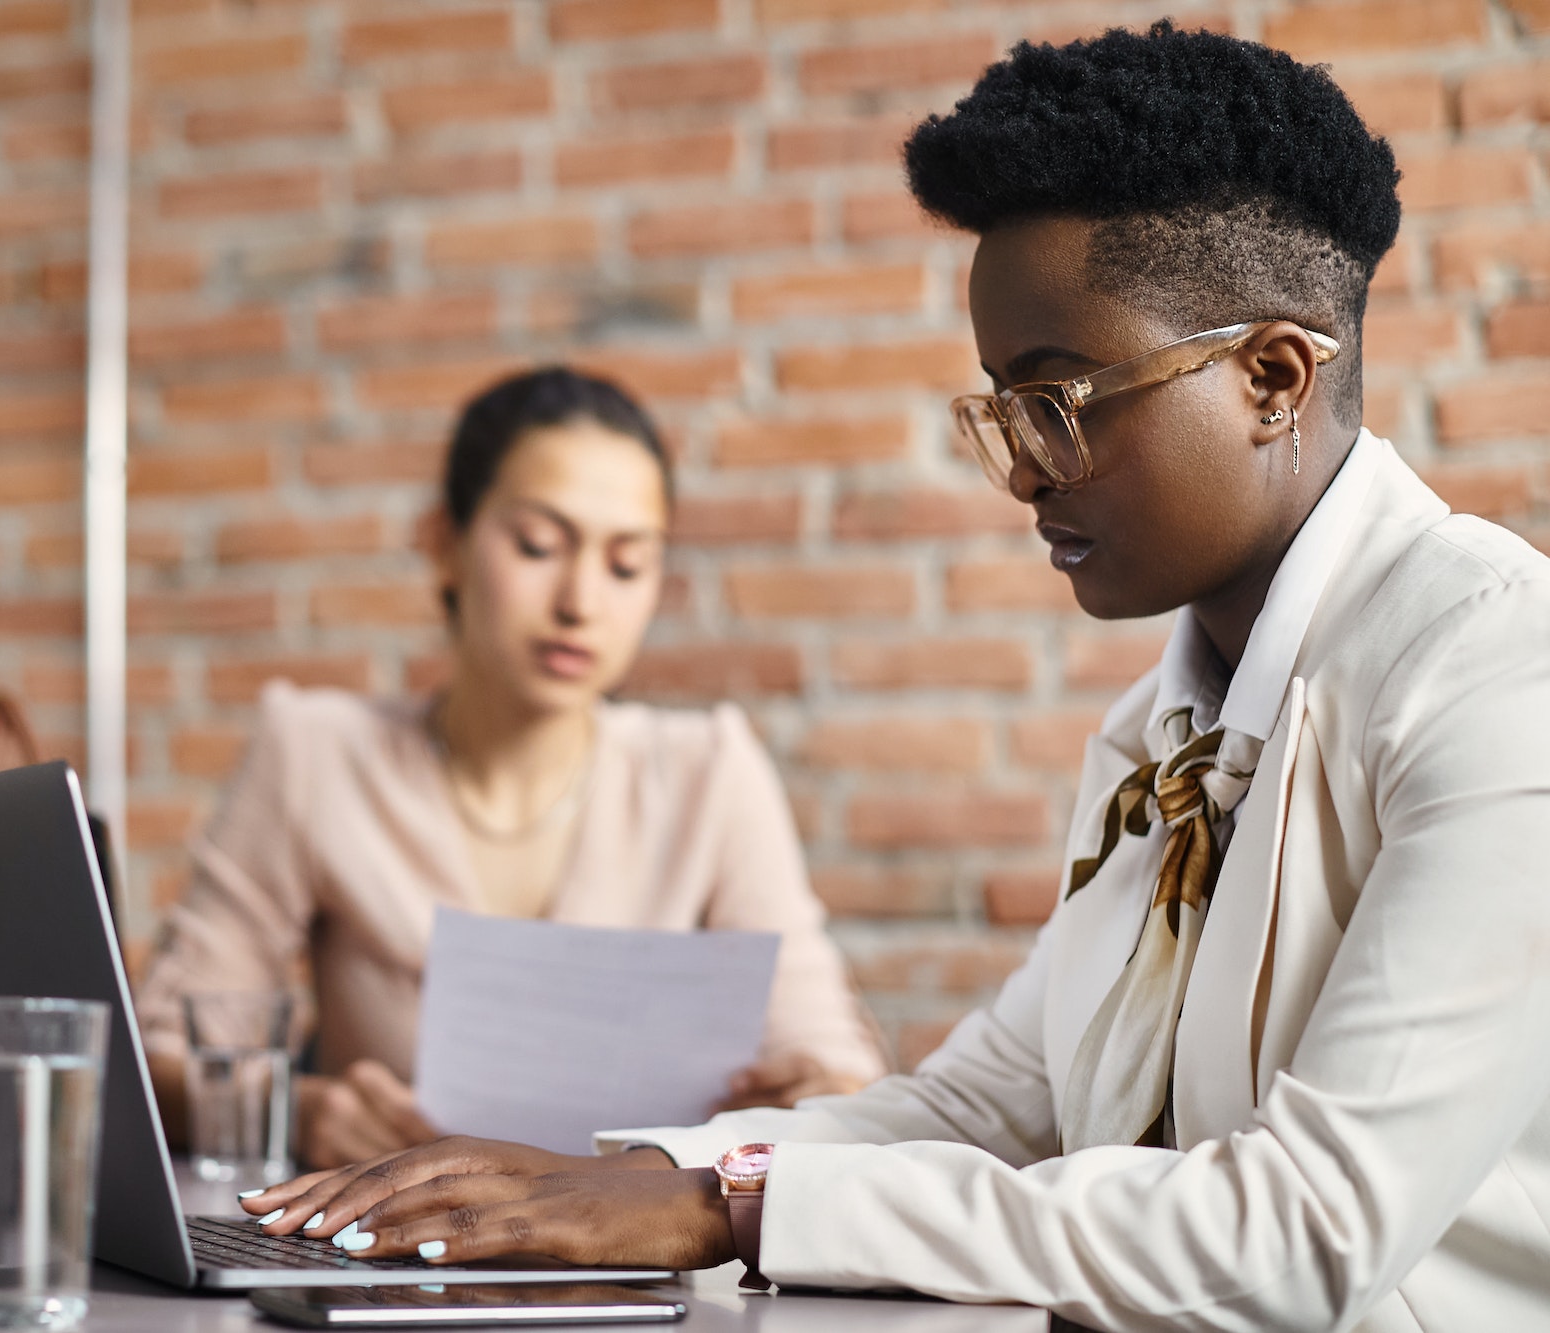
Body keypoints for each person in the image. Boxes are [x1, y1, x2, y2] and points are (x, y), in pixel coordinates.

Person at [238, 24, 1550, 1330]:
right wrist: (627, 1174)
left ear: (1272, 378)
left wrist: (723, 1211)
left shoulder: (1496, 668)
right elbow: (981, 1106)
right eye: (1002, 408)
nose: (1025, 468)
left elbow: (1307, 1233)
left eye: (1063, 399)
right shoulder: (1154, 734)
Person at [137, 366, 885, 1170]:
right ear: (443, 543)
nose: (580, 601)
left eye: (627, 564)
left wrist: (812, 1094)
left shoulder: (707, 773)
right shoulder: (316, 753)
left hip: (640, 1270)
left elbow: (838, 1065)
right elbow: (156, 1057)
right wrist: (296, 1109)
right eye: (538, 545)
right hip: (391, 1262)